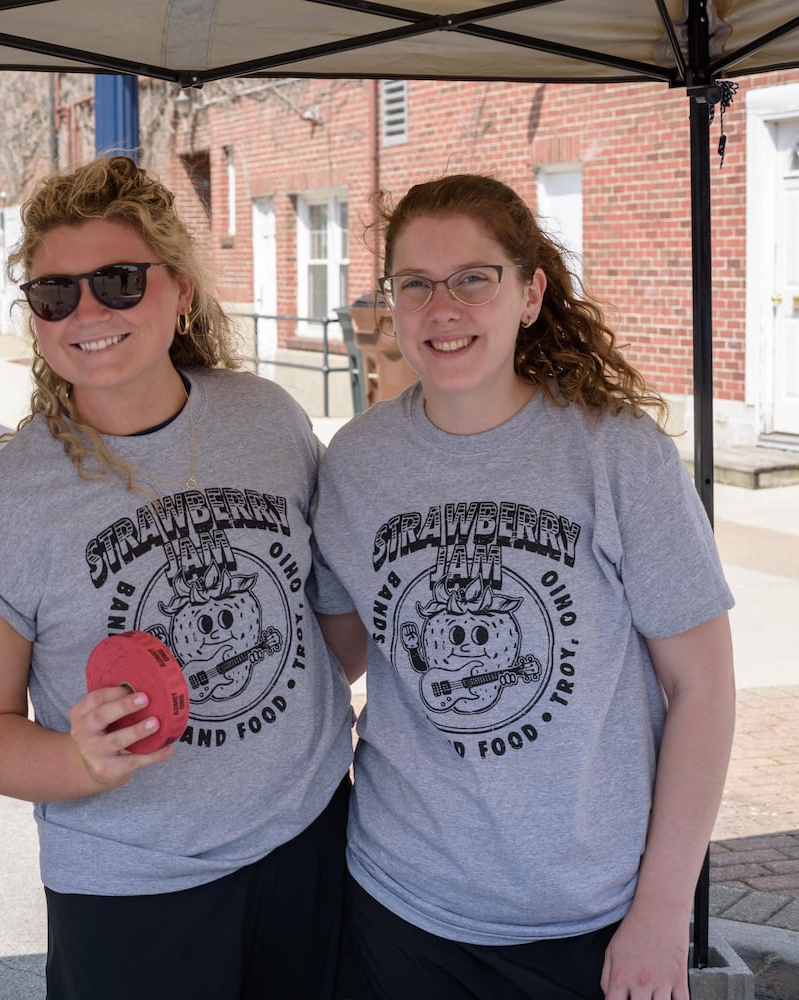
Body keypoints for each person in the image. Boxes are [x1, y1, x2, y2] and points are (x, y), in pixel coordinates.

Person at [0, 155, 354, 999]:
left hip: (314, 840)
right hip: (133, 885)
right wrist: (80, 760)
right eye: (55, 294)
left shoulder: (265, 420)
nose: (88, 311)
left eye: (120, 281)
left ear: (181, 292)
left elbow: (329, 630)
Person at [309, 173, 736, 1000]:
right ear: (391, 301)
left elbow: (705, 687)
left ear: (531, 292)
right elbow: (338, 656)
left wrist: (662, 907)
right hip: (399, 905)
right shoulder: (357, 463)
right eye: (416, 284)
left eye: (475, 278)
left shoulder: (614, 452)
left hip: (592, 917)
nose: (444, 308)